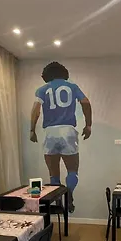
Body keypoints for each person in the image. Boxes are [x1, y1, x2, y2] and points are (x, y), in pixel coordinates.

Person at [30, 62, 92, 213]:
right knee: (72, 171)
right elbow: (85, 102)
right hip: (68, 130)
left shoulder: (42, 89)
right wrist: (88, 125)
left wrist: (32, 130)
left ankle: (58, 200)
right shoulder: (73, 87)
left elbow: (36, 110)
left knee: (53, 173)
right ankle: (69, 193)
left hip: (50, 132)